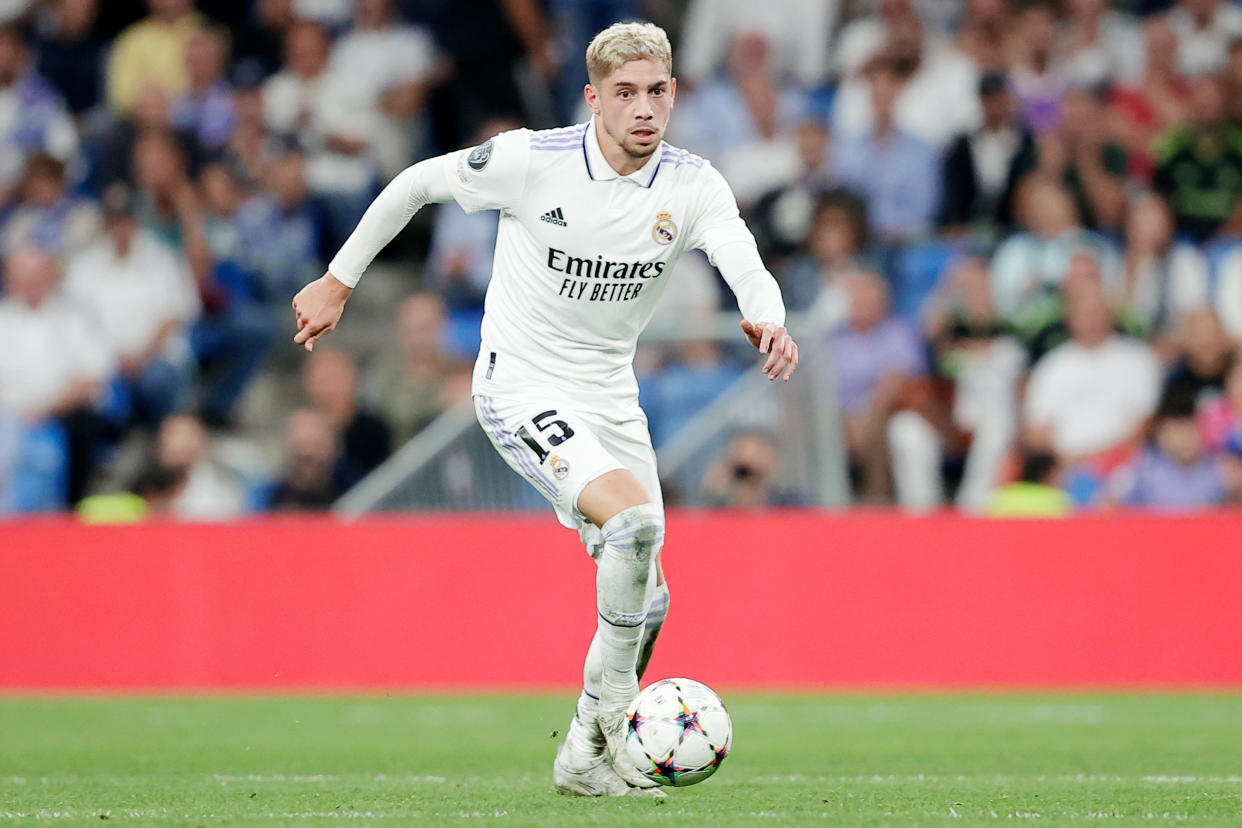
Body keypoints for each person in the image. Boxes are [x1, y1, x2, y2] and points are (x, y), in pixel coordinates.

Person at [290, 22, 798, 797]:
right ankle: (627, 723)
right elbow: (417, 181)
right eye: (625, 94)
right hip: (520, 385)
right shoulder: (536, 161)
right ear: (593, 99)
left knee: (650, 595)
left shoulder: (693, 184)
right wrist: (338, 279)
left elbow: (741, 254)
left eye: (657, 91)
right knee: (633, 526)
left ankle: (583, 759)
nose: (643, 110)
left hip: (609, 395)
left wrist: (769, 314)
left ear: (674, 94)